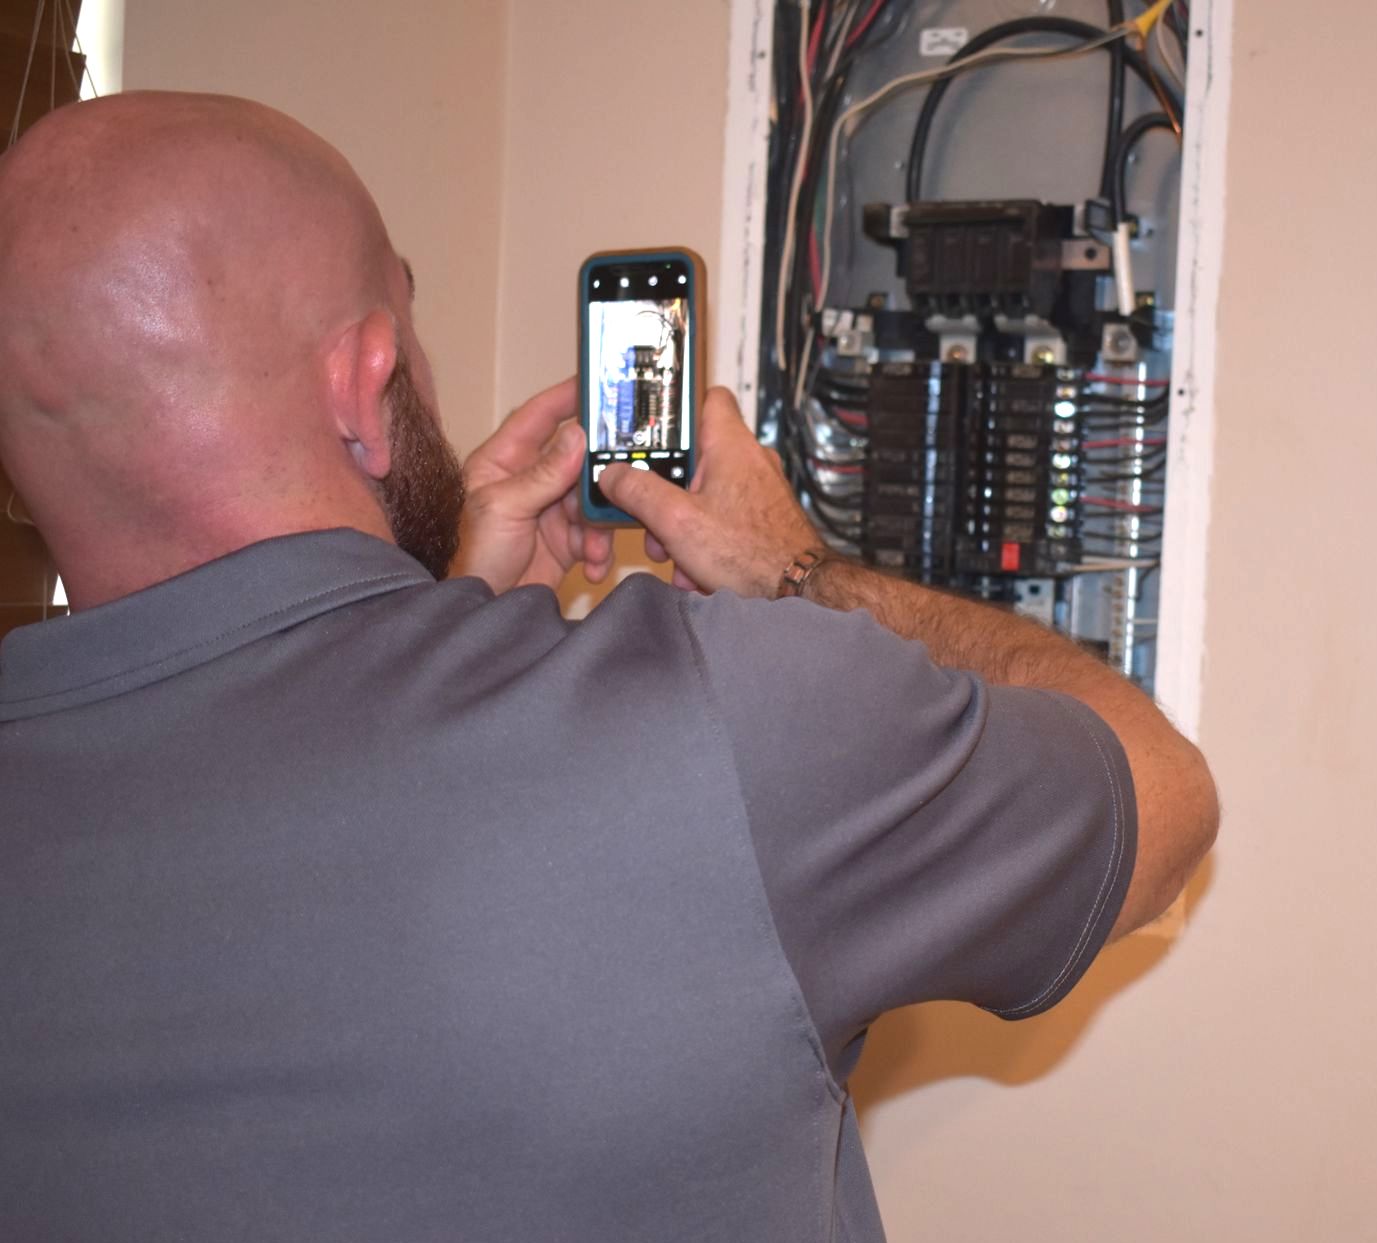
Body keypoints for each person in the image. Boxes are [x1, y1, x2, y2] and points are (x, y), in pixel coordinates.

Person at [0, 93, 1217, 1242]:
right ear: (366, 389)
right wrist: (801, 574)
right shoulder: (721, 723)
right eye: (411, 324)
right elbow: (1163, 800)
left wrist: (451, 623)